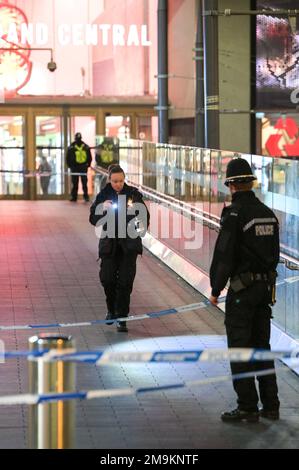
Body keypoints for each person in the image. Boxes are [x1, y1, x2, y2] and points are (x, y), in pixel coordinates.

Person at [209, 158, 280, 423]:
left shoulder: (235, 214)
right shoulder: (267, 213)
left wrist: (216, 288)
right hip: (265, 290)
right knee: (262, 347)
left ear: (231, 185)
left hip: (242, 292)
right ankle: (271, 405)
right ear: (250, 182)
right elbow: (274, 254)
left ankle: (248, 406)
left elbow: (224, 255)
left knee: (240, 348)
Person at [89, 164, 150, 332]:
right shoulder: (104, 195)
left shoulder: (133, 195)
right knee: (107, 279)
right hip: (109, 246)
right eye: (115, 181)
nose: (118, 184)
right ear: (110, 180)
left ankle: (122, 317)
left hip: (128, 247)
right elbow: (93, 218)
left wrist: (135, 216)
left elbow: (144, 219)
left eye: (121, 181)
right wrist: (102, 208)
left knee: (125, 282)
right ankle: (111, 309)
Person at [66, 132, 92, 202]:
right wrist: (70, 166)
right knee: (74, 183)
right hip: (74, 167)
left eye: (79, 139)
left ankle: (86, 197)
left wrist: (88, 165)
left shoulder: (86, 146)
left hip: (83, 167)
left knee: (84, 183)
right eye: (77, 139)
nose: (78, 140)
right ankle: (74, 197)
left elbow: (89, 156)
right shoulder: (71, 147)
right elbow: (67, 157)